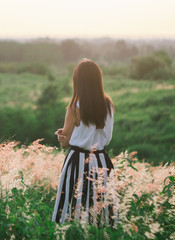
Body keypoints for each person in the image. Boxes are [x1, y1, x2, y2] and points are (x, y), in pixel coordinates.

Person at [51, 58, 117, 227]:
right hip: (102, 161)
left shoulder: (74, 107)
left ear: (78, 81)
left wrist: (62, 137)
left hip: (77, 161)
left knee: (72, 209)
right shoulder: (108, 105)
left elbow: (65, 143)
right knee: (101, 211)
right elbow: (107, 138)